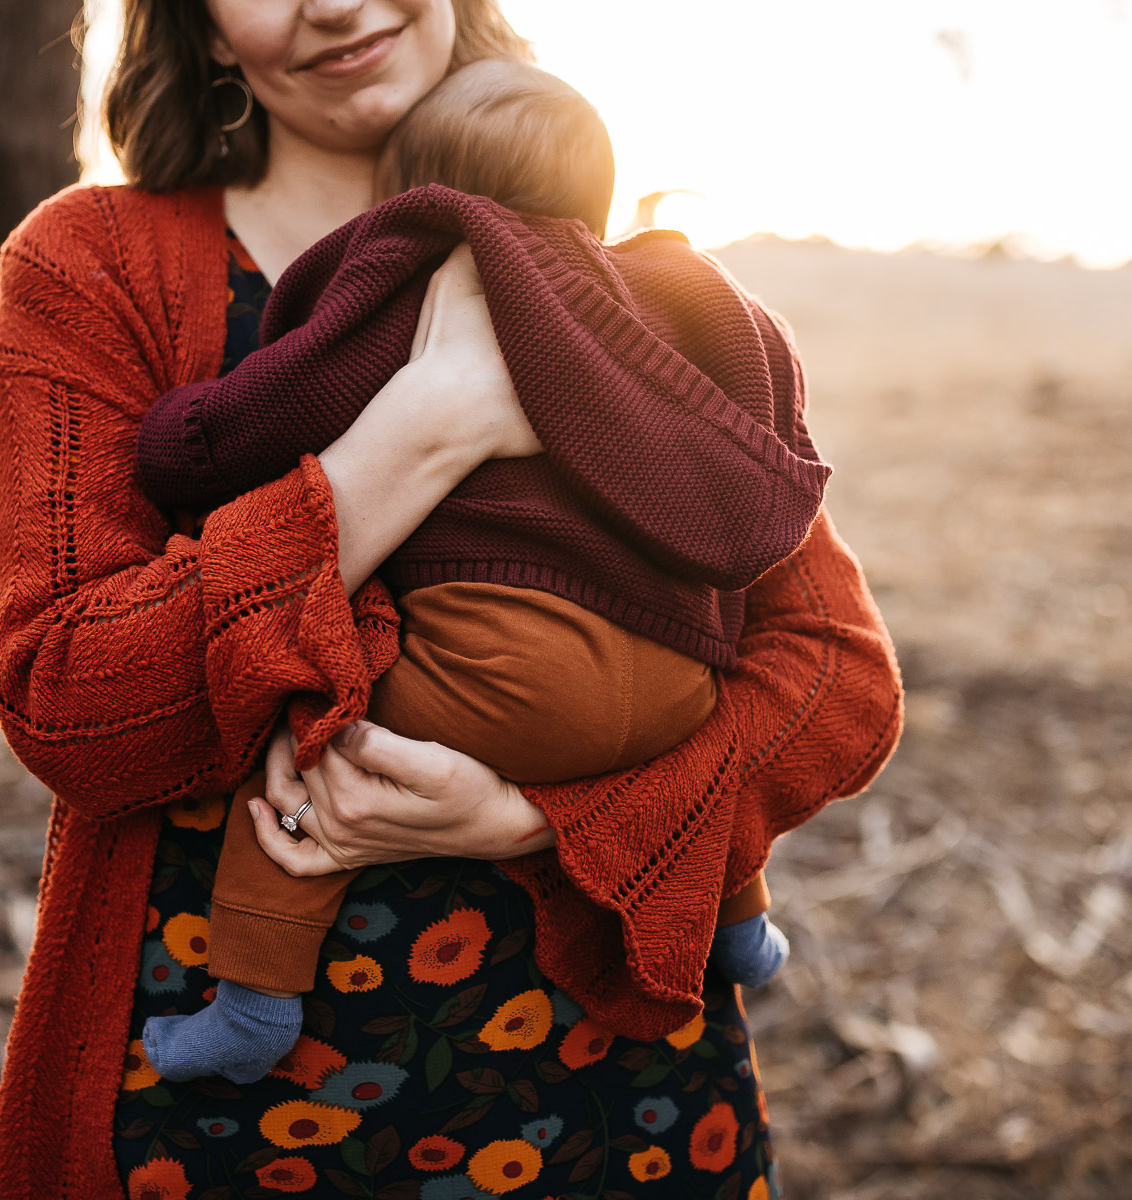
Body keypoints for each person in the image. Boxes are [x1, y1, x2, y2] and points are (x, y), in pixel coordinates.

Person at [0, 2, 903, 1198]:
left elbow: (837, 678)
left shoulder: (616, 262)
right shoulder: (93, 265)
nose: (336, 2)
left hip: (617, 1100)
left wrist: (536, 814)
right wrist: (421, 428)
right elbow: (70, 703)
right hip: (229, 1136)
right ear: (198, 27)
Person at [134, 58, 821, 1085]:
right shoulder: (671, 307)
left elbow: (280, 407)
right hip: (682, 678)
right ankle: (735, 926)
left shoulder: (425, 281)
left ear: (416, 198)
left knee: (306, 720)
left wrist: (181, 436)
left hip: (501, 671)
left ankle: (251, 997)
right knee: (705, 771)